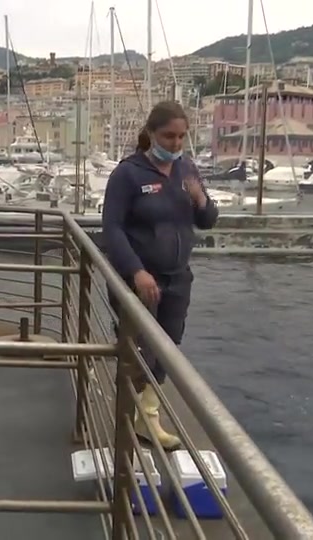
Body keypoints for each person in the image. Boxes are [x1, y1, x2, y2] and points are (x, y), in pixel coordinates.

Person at [101, 101, 218, 451]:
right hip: (138, 280)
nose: (176, 143)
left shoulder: (187, 170)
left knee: (168, 348)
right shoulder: (128, 174)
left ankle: (147, 417)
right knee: (139, 350)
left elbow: (208, 220)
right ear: (151, 133)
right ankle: (127, 416)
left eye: (182, 136)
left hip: (178, 278)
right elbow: (112, 229)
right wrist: (136, 271)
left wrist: (201, 201)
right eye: (169, 135)